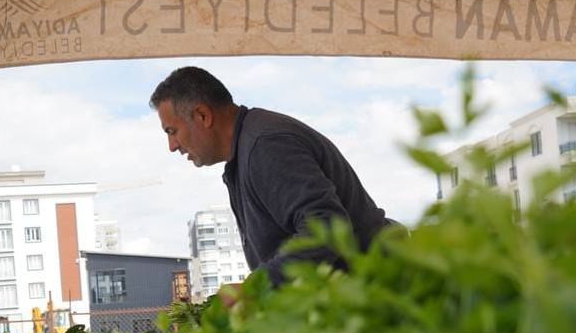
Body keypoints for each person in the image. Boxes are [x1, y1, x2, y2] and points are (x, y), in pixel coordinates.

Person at [150, 66, 394, 287]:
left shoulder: (265, 146)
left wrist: (255, 288)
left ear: (203, 115)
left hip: (375, 293)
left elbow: (325, 225)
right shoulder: (248, 148)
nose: (172, 145)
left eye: (172, 131)